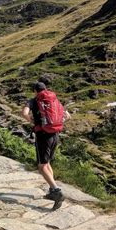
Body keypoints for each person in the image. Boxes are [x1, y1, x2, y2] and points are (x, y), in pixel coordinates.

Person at [22, 82, 69, 210]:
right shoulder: (54, 99)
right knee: (47, 163)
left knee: (41, 166)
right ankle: (51, 192)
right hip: (55, 134)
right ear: (45, 89)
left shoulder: (33, 100)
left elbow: (24, 112)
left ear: (35, 91)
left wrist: (31, 121)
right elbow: (67, 116)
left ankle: (57, 191)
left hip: (43, 135)